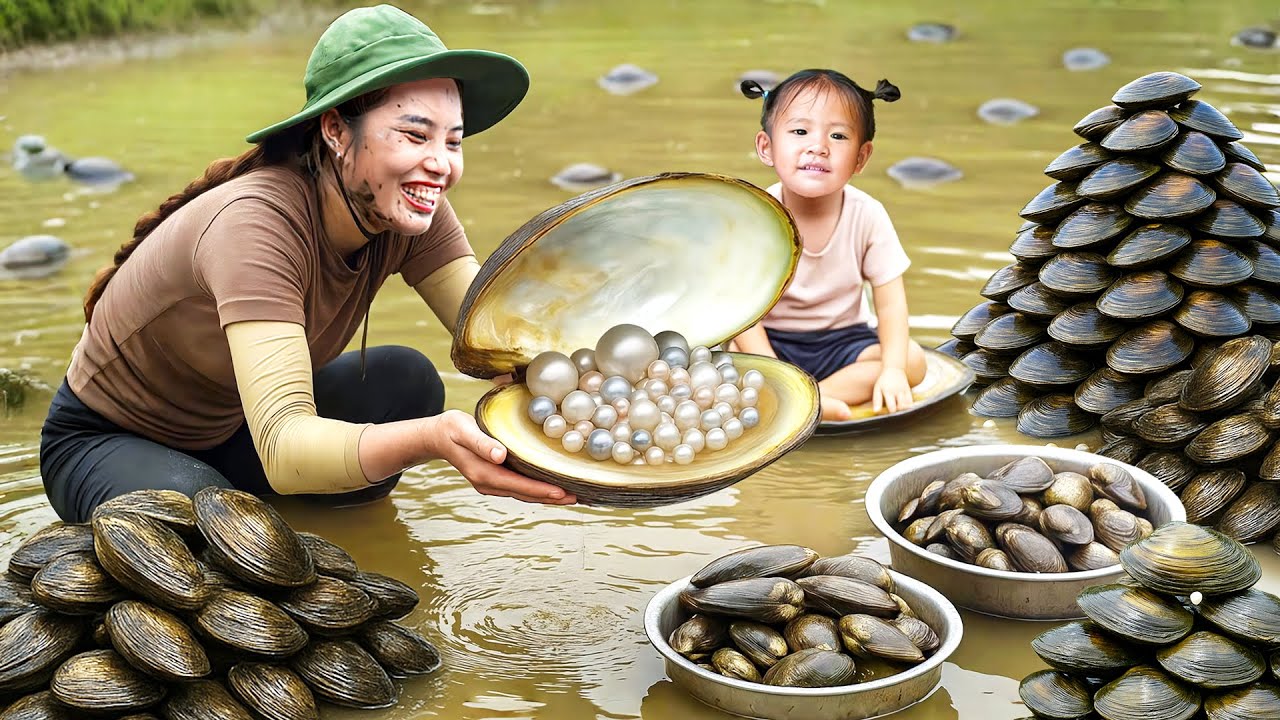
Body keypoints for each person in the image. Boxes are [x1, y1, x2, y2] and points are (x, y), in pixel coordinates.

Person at [39, 4, 578, 523]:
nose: (439, 164)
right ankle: (223, 508)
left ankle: (300, 515)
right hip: (108, 440)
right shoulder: (256, 224)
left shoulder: (411, 205)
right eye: (415, 135)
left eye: (452, 141)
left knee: (406, 383)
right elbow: (282, 443)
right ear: (337, 130)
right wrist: (432, 439)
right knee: (217, 527)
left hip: (233, 433)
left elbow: (501, 344)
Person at [731, 69, 927, 422]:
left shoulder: (868, 215)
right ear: (767, 147)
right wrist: (774, 372)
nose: (818, 147)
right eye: (800, 131)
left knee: (912, 361)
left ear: (861, 158)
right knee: (727, 363)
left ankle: (813, 400)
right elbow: (741, 312)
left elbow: (891, 305)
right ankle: (796, 397)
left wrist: (893, 371)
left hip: (843, 342)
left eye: (837, 136)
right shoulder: (756, 217)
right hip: (770, 342)